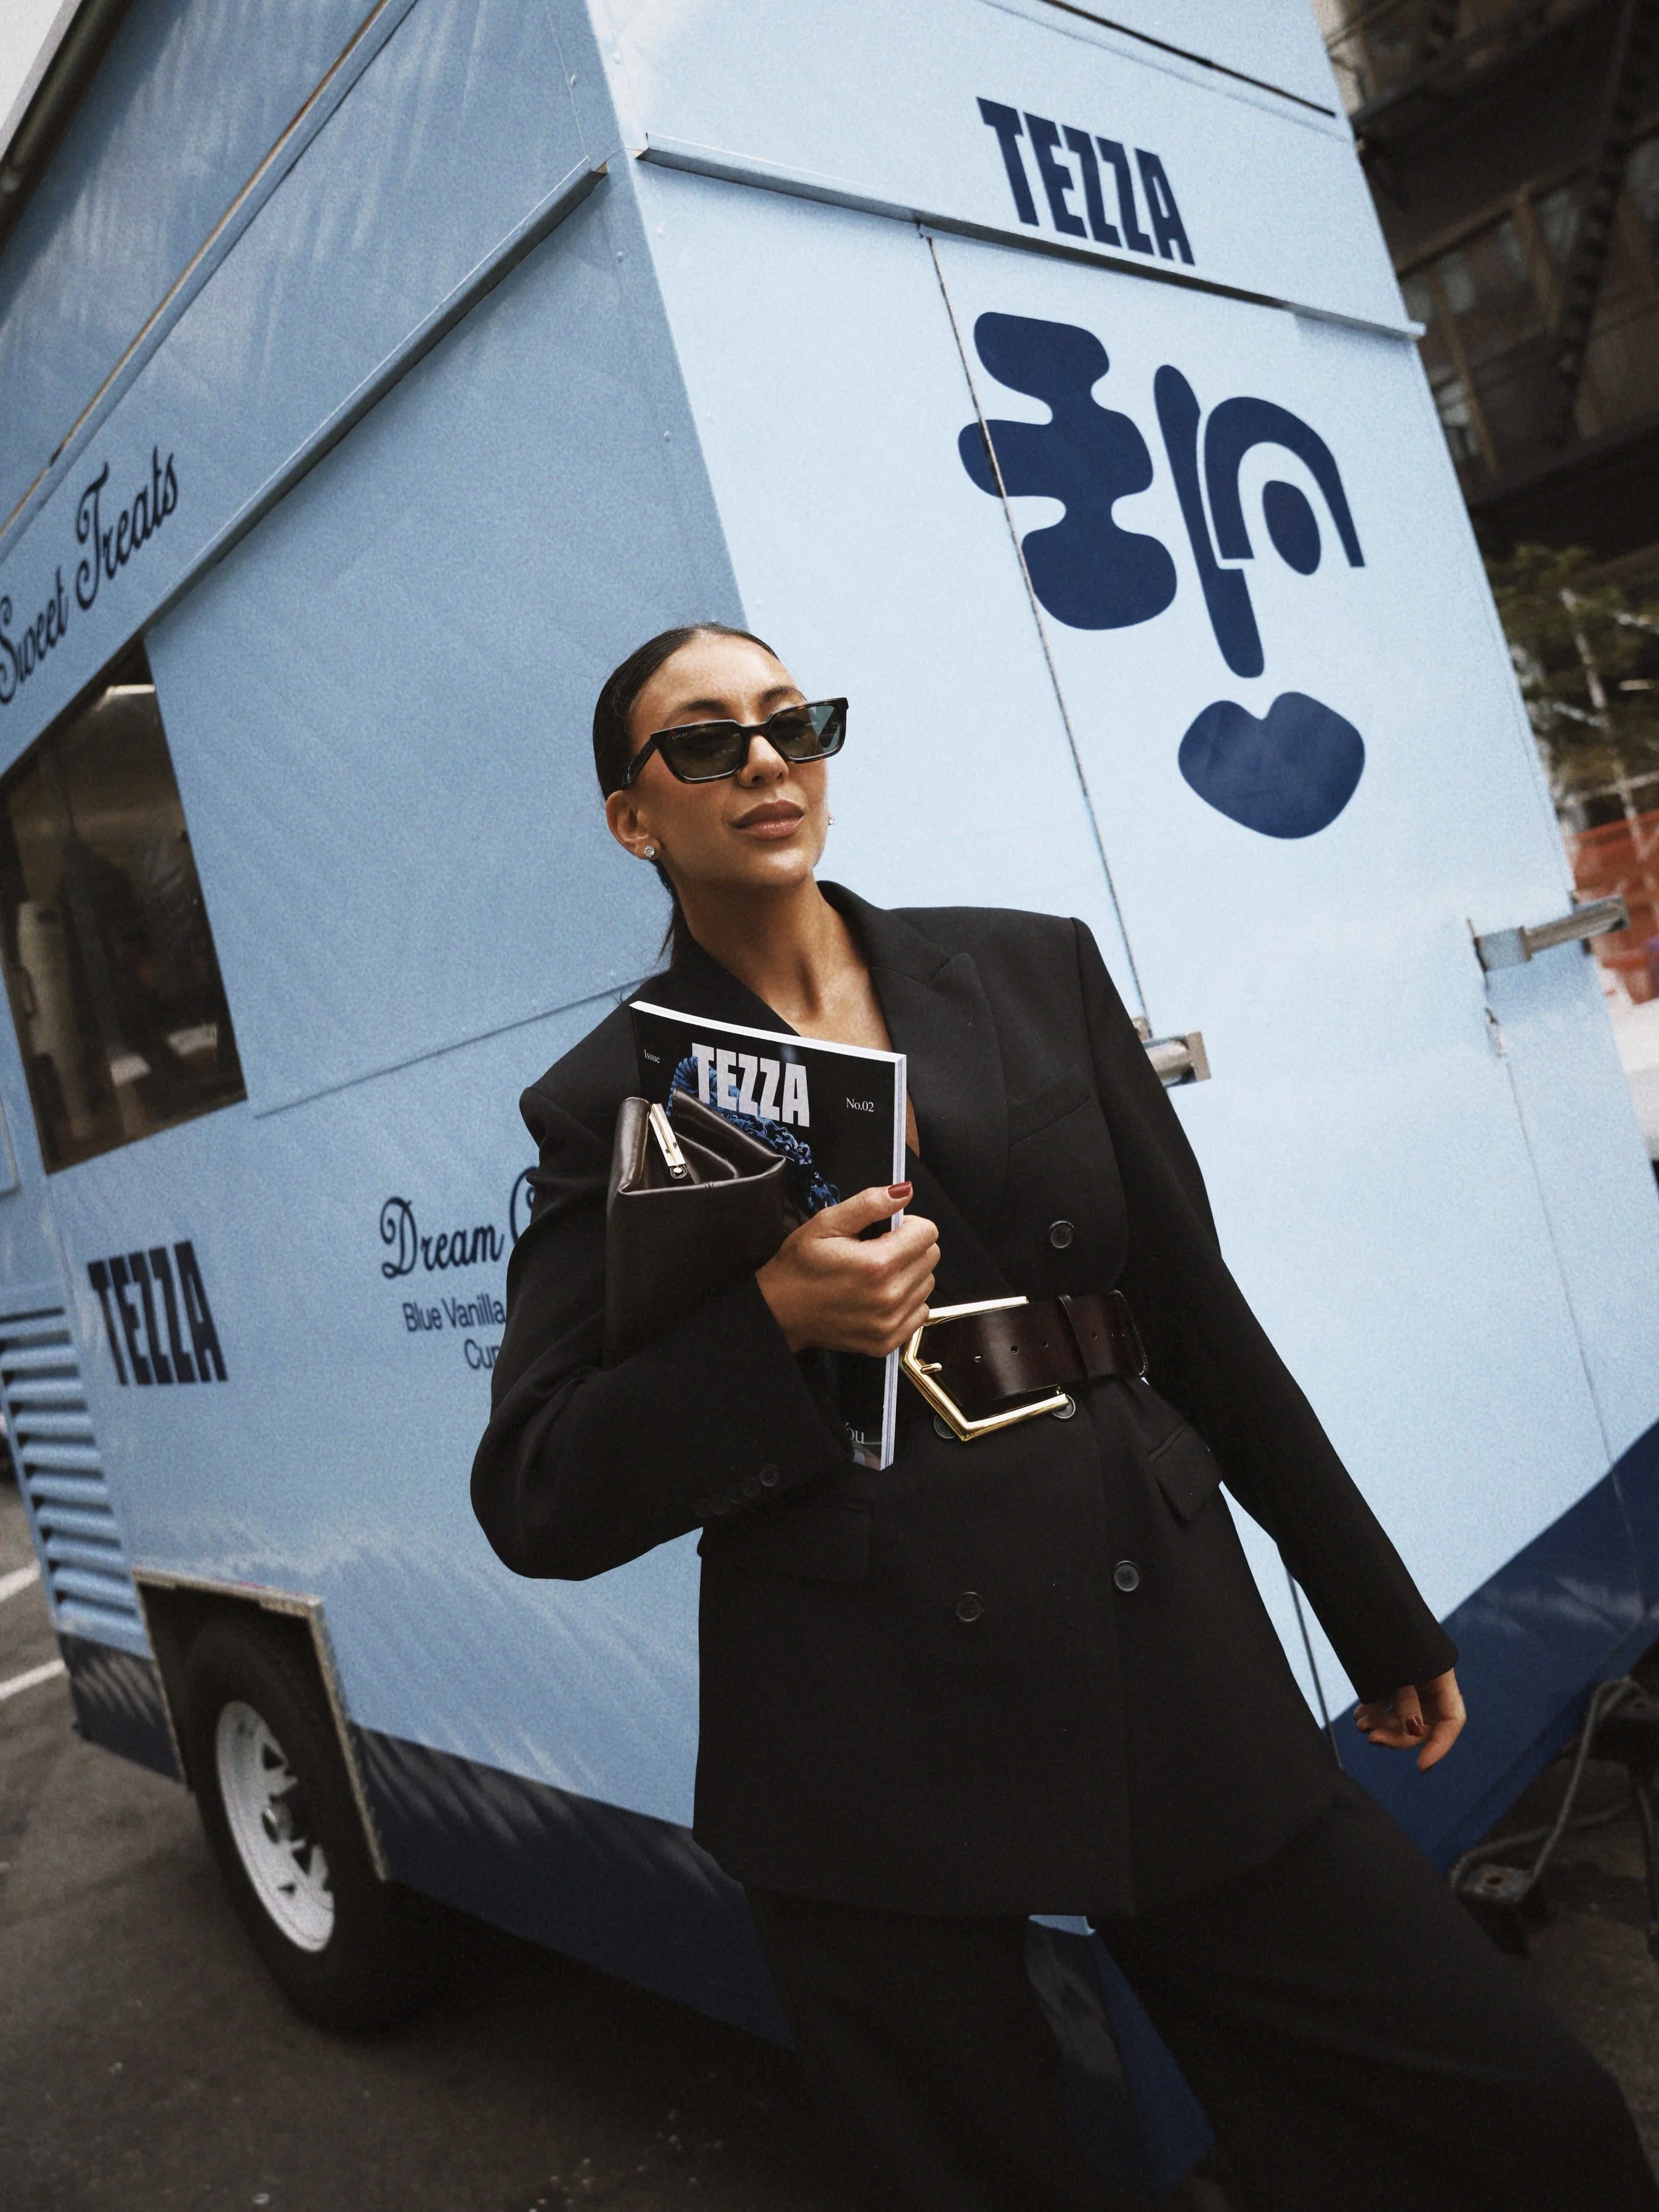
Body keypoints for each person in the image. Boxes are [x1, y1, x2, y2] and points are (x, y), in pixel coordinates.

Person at [472, 622, 1658, 2212]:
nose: (762, 759)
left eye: (789, 721)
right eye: (702, 742)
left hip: (1154, 1642)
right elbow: (537, 1488)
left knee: (1518, 2128)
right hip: (856, 1725)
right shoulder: (610, 1095)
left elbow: (1196, 1317)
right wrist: (769, 1329)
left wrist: (1370, 1608)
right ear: (636, 815)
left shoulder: (1028, 964)